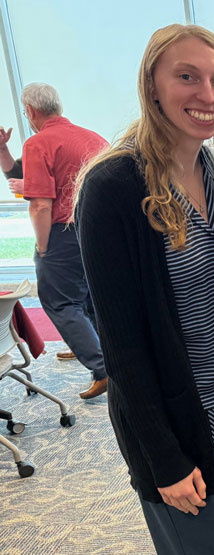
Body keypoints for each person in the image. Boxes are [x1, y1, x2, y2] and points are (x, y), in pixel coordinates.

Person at [75, 24, 214, 555]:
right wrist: (164, 459)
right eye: (187, 76)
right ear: (152, 85)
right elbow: (122, 347)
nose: (206, 93)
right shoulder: (114, 186)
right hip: (178, 430)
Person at [19, 83, 108, 389]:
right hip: (98, 231)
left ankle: (102, 368)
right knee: (92, 300)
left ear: (31, 112)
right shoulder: (95, 138)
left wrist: (43, 247)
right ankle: (111, 359)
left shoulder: (38, 144)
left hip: (63, 232)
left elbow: (41, 205)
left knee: (61, 302)